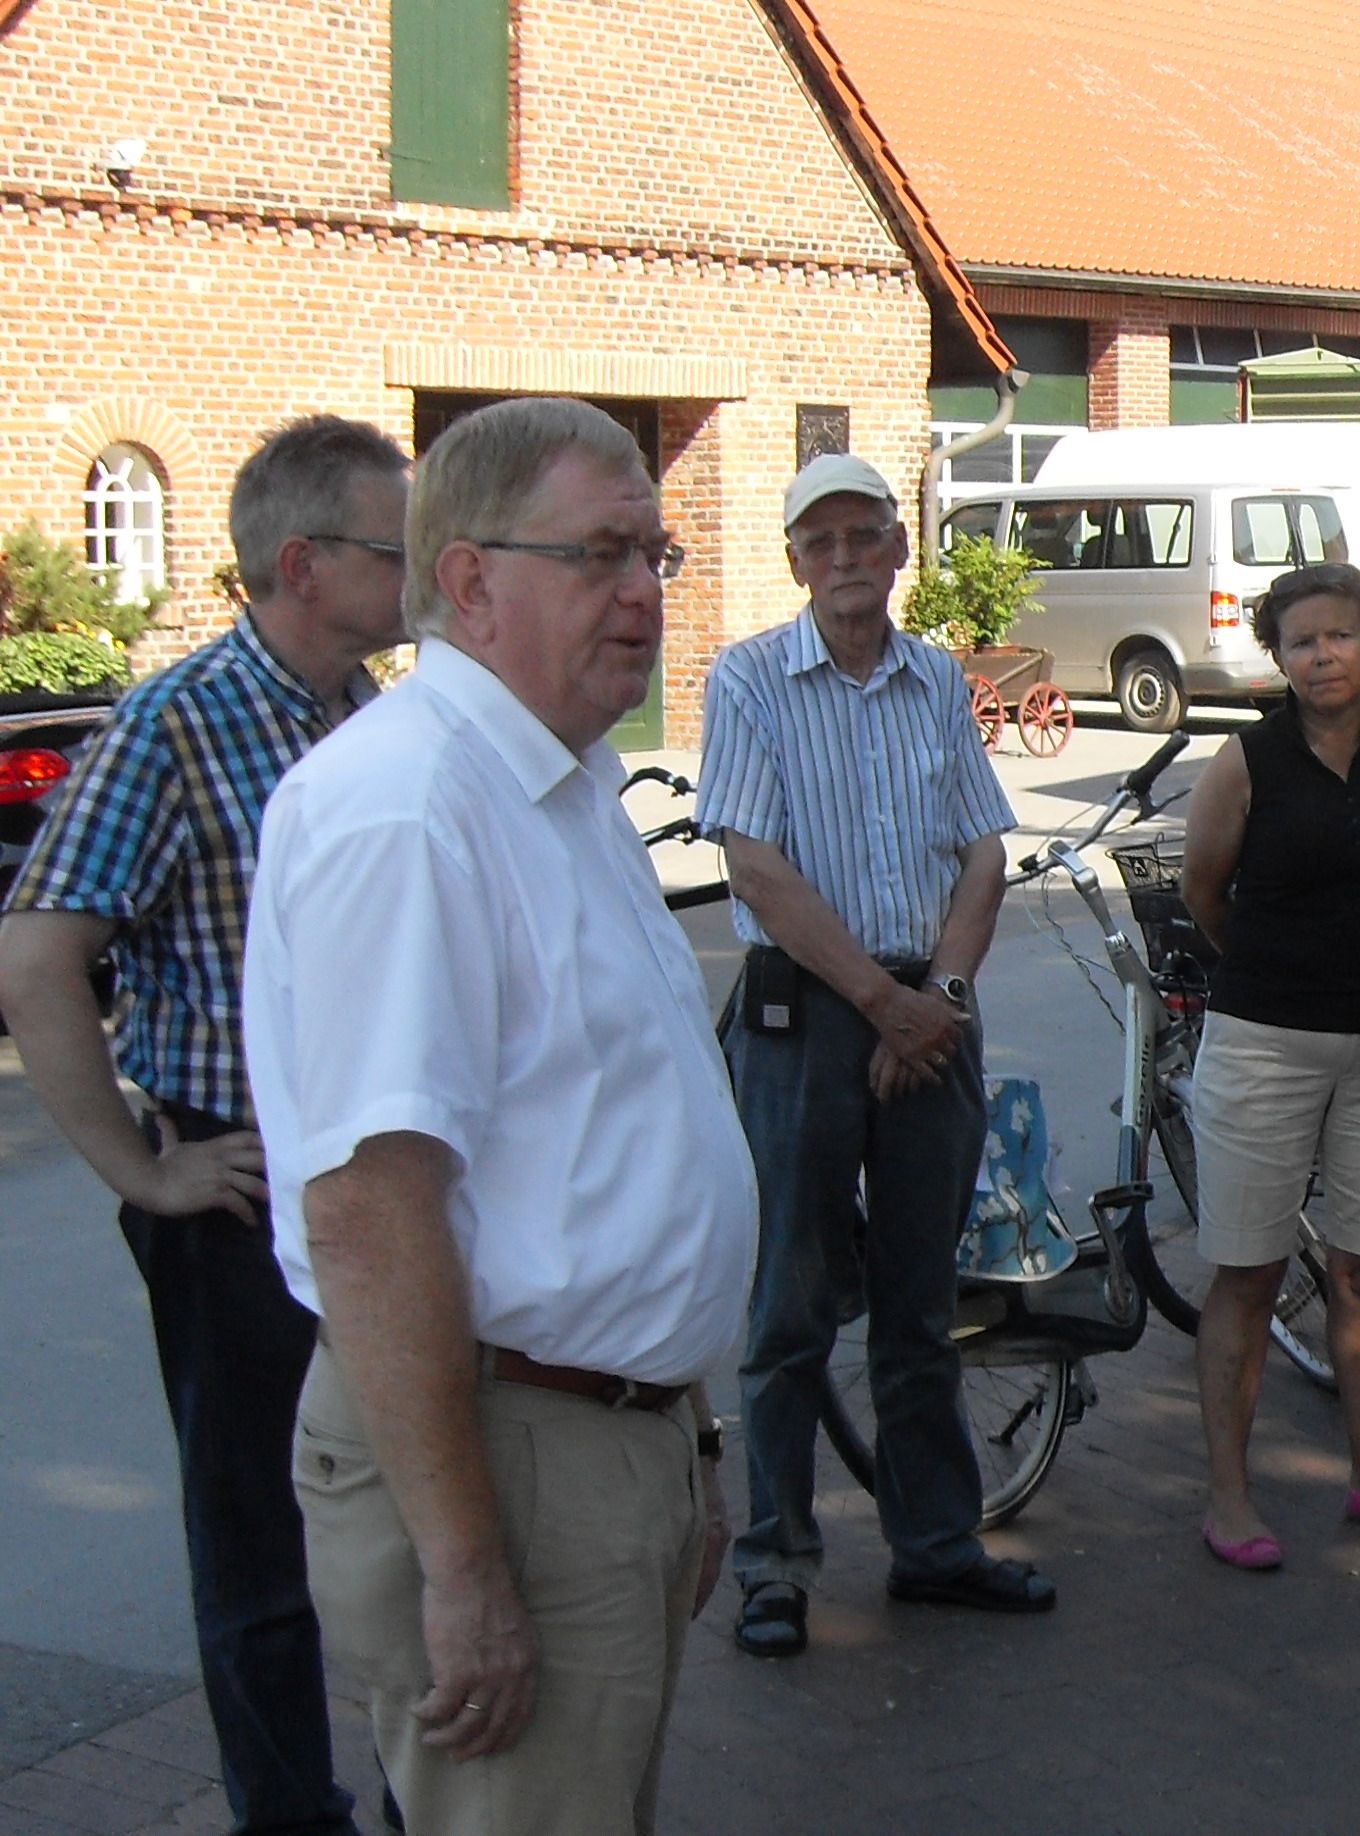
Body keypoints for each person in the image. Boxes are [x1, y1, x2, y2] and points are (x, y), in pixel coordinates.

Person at [244, 396, 752, 1832]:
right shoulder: (411, 805)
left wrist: (687, 1439)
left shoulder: (560, 781)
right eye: (602, 556)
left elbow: (610, 1158)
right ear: (467, 581)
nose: (646, 594)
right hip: (504, 1456)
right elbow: (368, 1213)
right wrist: (464, 1568)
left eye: (656, 554)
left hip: (592, 1436)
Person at [0, 416, 406, 1836]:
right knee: (259, 1539)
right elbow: (38, 956)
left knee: (414, 1501)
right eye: (390, 544)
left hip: (387, 1178)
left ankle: (434, 1793)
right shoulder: (175, 724)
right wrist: (143, 1168)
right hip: (236, 1190)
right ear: (304, 563)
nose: (417, 567)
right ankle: (290, 1817)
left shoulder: (382, 715)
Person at [701, 453, 1048, 1659]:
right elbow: (755, 867)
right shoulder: (747, 679)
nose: (846, 560)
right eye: (821, 542)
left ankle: (937, 1549)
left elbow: (984, 854)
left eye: (866, 537)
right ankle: (776, 1565)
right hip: (809, 1014)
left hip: (929, 1009)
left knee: (919, 1304)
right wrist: (879, 1002)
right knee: (789, 1303)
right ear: (794, 560)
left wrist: (939, 995)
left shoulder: (935, 678)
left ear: (900, 549)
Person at [1180, 560, 1360, 1568]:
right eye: (1301, 641)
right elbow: (1205, 890)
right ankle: (1229, 1496)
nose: (1322, 655)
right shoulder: (1245, 761)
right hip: (1266, 1040)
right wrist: (1279, 973)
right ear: (1280, 657)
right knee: (1250, 1272)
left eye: (1340, 635)